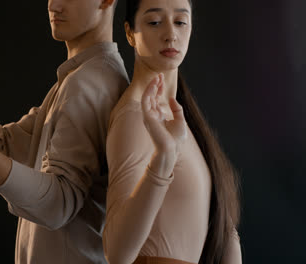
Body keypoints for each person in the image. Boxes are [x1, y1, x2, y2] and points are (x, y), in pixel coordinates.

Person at [0, 0, 129, 263]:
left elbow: (58, 204)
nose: (53, 4)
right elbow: (7, 143)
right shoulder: (81, 77)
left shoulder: (90, 83)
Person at [102, 0, 242, 263]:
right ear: (130, 33)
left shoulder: (180, 116)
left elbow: (221, 229)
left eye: (180, 22)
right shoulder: (135, 119)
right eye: (154, 22)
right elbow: (117, 253)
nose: (170, 34)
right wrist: (164, 156)